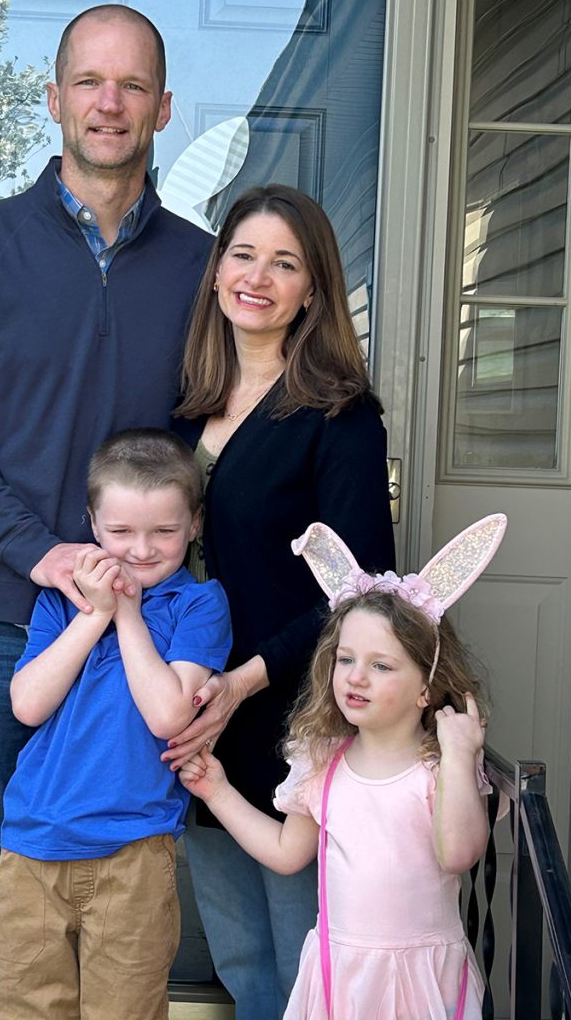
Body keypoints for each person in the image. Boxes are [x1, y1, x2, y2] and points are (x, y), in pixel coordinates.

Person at [0, 7, 212, 1018]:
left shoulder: (203, 268)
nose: (108, 103)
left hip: (135, 642)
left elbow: (223, 435)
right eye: (88, 82)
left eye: (129, 86)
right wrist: (40, 553)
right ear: (54, 100)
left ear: (162, 107)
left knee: (124, 897)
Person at [166, 184, 396, 1018]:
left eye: (284, 262)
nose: (257, 277)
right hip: (199, 714)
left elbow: (365, 592)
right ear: (216, 272)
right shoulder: (184, 408)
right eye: (242, 254)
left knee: (309, 963)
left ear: (311, 290)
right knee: (240, 958)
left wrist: (244, 682)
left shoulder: (341, 418)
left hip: (293, 714)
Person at [180, 514, 508, 1020]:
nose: (357, 677)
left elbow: (458, 853)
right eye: (346, 659)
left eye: (382, 665)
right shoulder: (323, 760)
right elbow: (288, 853)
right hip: (342, 976)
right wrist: (217, 789)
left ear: (426, 686)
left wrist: (462, 757)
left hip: (423, 978)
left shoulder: (438, 767)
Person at [0, 428, 231, 1020]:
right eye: (121, 532)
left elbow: (169, 714)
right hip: (34, 843)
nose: (142, 550)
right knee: (28, 1005)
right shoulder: (62, 601)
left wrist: (127, 614)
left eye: (164, 532)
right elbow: (27, 703)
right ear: (93, 527)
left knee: (124, 1008)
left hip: (134, 849)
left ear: (195, 524)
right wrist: (94, 613)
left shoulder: (199, 604)